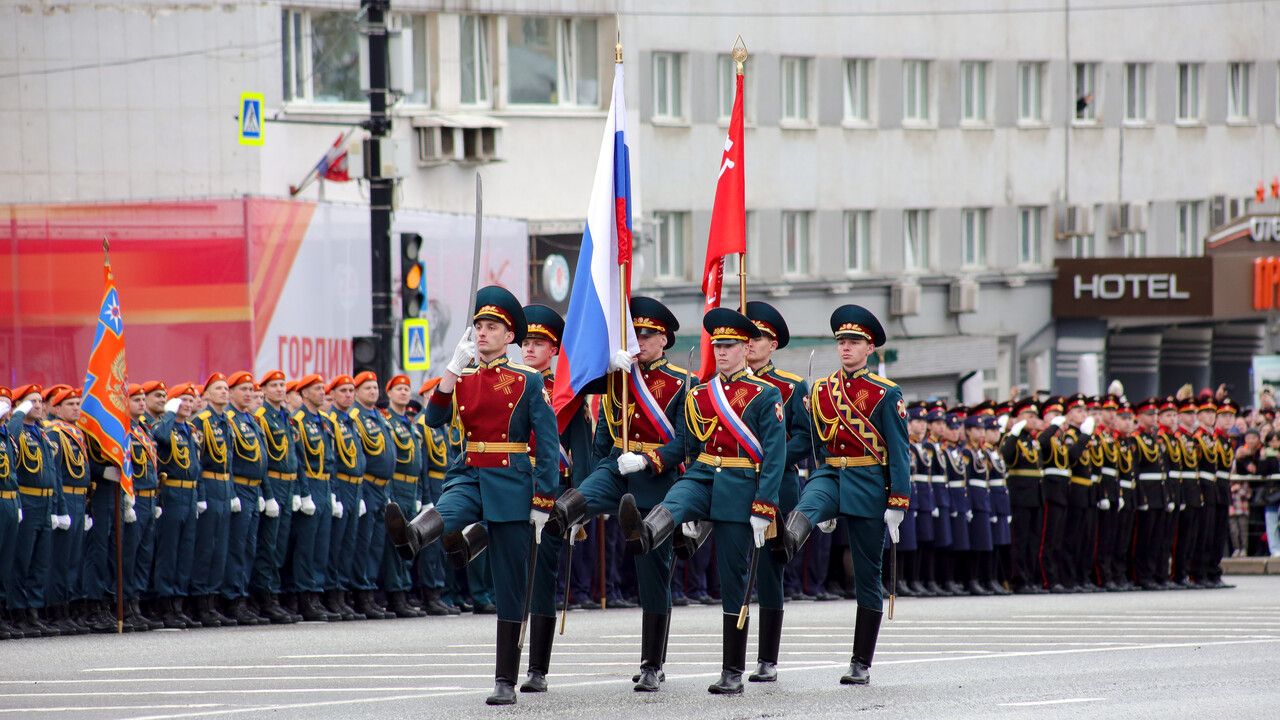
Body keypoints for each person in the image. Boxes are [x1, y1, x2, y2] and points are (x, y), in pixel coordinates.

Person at [385, 286, 558, 706]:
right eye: (478, 325)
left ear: (508, 335)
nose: (482, 332)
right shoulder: (463, 376)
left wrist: (544, 500)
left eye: (492, 326)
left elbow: (549, 446)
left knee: (510, 581)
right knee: (448, 507)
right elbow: (434, 418)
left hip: (512, 479)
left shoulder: (527, 381)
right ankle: (413, 537)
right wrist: (449, 370)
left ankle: (505, 680)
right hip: (470, 470)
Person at [621, 308, 785, 696]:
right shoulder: (699, 394)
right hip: (703, 473)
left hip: (741, 484)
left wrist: (764, 506)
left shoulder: (766, 395)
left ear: (746, 348)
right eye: (717, 345)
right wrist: (650, 459)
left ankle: (732, 670)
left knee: (733, 578)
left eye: (729, 346)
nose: (722, 352)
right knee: (675, 497)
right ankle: (646, 532)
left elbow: (775, 456)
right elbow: (688, 446)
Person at [777, 304, 909, 686]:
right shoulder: (821, 390)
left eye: (854, 342)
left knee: (868, 577)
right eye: (842, 342)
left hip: (870, 481)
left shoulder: (886, 393)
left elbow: (898, 451)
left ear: (870, 348)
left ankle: (860, 662)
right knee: (806, 506)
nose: (846, 348)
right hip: (831, 472)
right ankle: (785, 542)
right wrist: (825, 506)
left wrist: (898, 501)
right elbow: (818, 444)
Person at [568, 296, 690, 692]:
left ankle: (652, 664)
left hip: (656, 481)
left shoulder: (681, 384)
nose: (639, 341)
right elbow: (604, 436)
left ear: (664, 340)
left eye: (647, 335)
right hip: (617, 471)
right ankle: (569, 521)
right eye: (635, 333)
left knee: (652, 576)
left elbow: (685, 444)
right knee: (575, 501)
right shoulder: (619, 376)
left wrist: (649, 460)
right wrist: (608, 464)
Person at [518, 304, 595, 693]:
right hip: (511, 488)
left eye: (538, 343)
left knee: (541, 579)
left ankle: (537, 669)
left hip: (549, 496)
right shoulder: (510, 384)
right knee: (514, 577)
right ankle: (507, 663)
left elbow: (581, 453)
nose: (529, 349)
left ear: (554, 351)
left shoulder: (565, 394)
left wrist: (579, 507)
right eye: (526, 342)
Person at [743, 300, 809, 682]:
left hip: (776, 485)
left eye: (759, 337)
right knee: (736, 566)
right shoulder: (723, 386)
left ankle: (767, 658)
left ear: (774, 345)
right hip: (736, 482)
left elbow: (804, 436)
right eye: (746, 336)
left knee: (769, 572)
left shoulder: (788, 385)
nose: (750, 343)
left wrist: (773, 456)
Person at [7, 385, 61, 637]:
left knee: (41, 560)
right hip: (27, 500)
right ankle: (18, 611)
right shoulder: (17, 429)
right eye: (32, 401)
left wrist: (58, 507)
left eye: (40, 401)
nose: (38, 406)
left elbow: (54, 473)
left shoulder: (43, 433)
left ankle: (34, 610)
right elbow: (11, 434)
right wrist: (19, 414)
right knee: (23, 559)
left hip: (46, 501)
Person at [250, 370, 302, 624]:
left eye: (282, 385)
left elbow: (295, 456)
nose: (280, 389)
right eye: (275, 385)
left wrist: (300, 491)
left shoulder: (286, 417)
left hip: (289, 484)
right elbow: (263, 459)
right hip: (274, 483)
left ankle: (275, 593)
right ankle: (265, 596)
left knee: (280, 544)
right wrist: (268, 493)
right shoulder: (261, 417)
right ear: (265, 389)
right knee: (268, 545)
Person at [152, 383, 202, 627]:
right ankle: (165, 602)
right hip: (171, 492)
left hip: (190, 493)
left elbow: (195, 465)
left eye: (191, 401)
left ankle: (179, 603)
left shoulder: (190, 429)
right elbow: (159, 437)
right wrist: (170, 413)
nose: (188, 404)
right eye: (182, 399)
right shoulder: (165, 426)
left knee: (185, 551)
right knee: (169, 550)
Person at [290, 374, 339, 621]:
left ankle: (317, 593)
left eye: (322, 388)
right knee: (306, 546)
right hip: (309, 482)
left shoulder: (325, 421)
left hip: (325, 484)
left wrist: (333, 493)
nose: (322, 392)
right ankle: (305, 596)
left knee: (322, 544)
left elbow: (332, 457)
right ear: (304, 393)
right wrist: (303, 492)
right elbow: (297, 459)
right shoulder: (298, 420)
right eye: (317, 389)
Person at [220, 372, 268, 625]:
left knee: (249, 547)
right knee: (236, 547)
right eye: (243, 389)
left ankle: (242, 596)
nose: (248, 394)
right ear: (232, 392)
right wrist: (232, 492)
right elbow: (225, 459)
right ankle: (232, 598)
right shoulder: (228, 420)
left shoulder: (249, 419)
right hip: (238, 487)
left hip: (254, 488)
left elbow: (261, 458)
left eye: (251, 389)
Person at [43, 387, 92, 634]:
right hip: (65, 498)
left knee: (75, 558)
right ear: (57, 408)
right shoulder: (55, 433)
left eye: (77, 403)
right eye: (70, 404)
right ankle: (56, 609)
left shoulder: (77, 433)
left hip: (79, 499)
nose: (76, 408)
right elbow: (57, 474)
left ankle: (70, 607)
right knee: (60, 558)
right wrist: (58, 508)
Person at [348, 371, 396, 620]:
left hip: (382, 487)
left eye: (375, 387)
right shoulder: (355, 416)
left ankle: (370, 592)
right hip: (366, 486)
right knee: (363, 543)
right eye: (366, 388)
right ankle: (361, 594)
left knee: (376, 543)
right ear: (356, 392)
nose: (372, 392)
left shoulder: (378, 415)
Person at [190, 374, 236, 626]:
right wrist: (202, 495)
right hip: (209, 482)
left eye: (226, 388)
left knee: (221, 547)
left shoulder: (225, 421)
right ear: (206, 394)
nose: (223, 392)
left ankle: (213, 599)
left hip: (225, 484)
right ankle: (200, 600)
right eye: (218, 388)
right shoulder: (202, 421)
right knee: (206, 545)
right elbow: (197, 460)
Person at [324, 374, 365, 621]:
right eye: (344, 391)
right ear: (333, 394)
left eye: (351, 391)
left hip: (356, 487)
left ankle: (342, 594)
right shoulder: (330, 420)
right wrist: (335, 494)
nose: (349, 395)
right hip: (340, 485)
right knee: (335, 545)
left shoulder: (349, 420)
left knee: (349, 545)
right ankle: (332, 595)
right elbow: (332, 461)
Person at [1001, 398, 1049, 593]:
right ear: (1017, 418)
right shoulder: (1011, 438)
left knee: (1033, 541)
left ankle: (1030, 577)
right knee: (1020, 541)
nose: (1032, 419)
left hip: (1035, 495)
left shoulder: (1033, 441)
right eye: (1028, 415)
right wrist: (1013, 433)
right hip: (1020, 496)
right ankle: (1019, 579)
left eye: (1034, 416)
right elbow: (1006, 456)